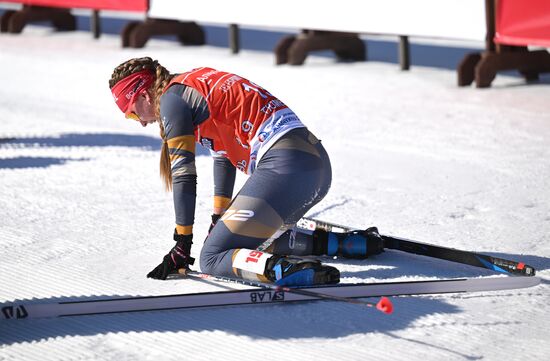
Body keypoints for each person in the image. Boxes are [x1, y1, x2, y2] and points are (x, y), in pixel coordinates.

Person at [108, 57, 383, 286]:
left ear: (144, 94)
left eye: (132, 114)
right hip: (314, 167)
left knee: (213, 257)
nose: (141, 123)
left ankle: (281, 270)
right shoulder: (193, 82)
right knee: (243, 240)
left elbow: (183, 175)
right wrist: (219, 217)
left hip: (286, 168)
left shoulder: (171, 101)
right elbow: (223, 157)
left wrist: (183, 241)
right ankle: (345, 244)